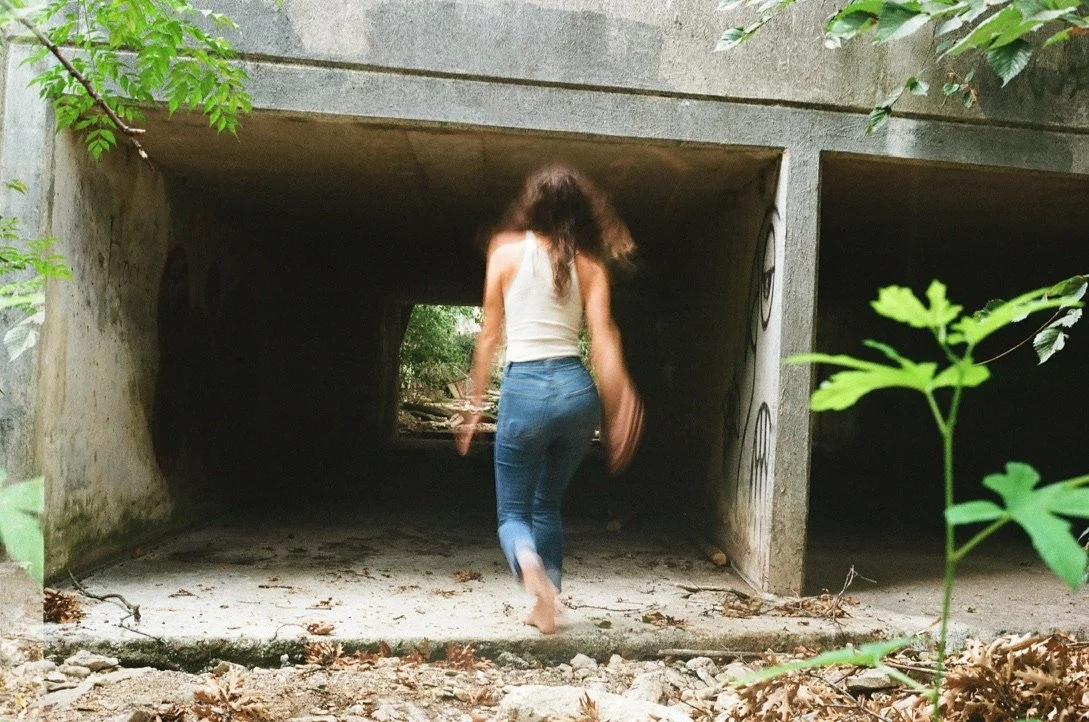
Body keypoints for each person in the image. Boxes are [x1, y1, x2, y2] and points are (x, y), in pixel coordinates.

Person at [455, 166, 644, 634]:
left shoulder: (504, 253)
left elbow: (489, 337)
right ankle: (548, 604)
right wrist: (620, 405)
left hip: (525, 391)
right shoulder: (592, 266)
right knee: (547, 505)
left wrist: (473, 405)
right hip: (576, 393)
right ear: (582, 213)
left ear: (531, 206)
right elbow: (604, 341)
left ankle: (530, 569)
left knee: (512, 514)